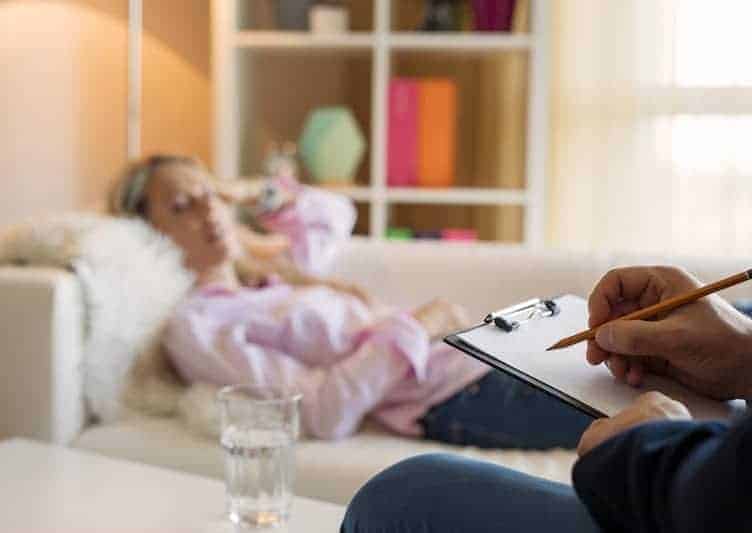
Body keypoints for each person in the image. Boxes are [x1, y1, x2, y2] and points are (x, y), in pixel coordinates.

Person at [110, 154, 592, 448]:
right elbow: (321, 411)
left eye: (209, 194)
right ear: (149, 234)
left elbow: (333, 213)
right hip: (458, 396)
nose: (207, 210)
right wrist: (417, 323)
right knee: (650, 411)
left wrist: (252, 191)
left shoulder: (275, 274)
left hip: (481, 354)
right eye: (180, 206)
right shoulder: (200, 325)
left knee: (639, 359)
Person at [341, 266, 752, 533]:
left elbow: (716, 503)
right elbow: (328, 407)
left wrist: (654, 450)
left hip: (700, 501)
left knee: (402, 497)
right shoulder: (282, 330)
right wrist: (742, 357)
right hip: (459, 390)